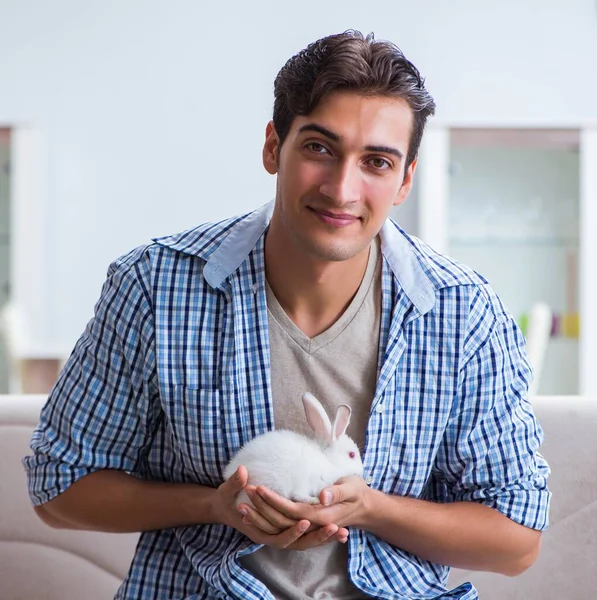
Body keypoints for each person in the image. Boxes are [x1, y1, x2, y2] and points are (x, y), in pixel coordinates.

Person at [23, 30, 550, 600]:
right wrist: (214, 507)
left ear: (404, 181)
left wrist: (369, 508)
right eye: (320, 148)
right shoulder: (155, 286)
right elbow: (59, 487)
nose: (342, 189)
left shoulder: (464, 313)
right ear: (274, 146)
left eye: (376, 161)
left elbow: (517, 540)